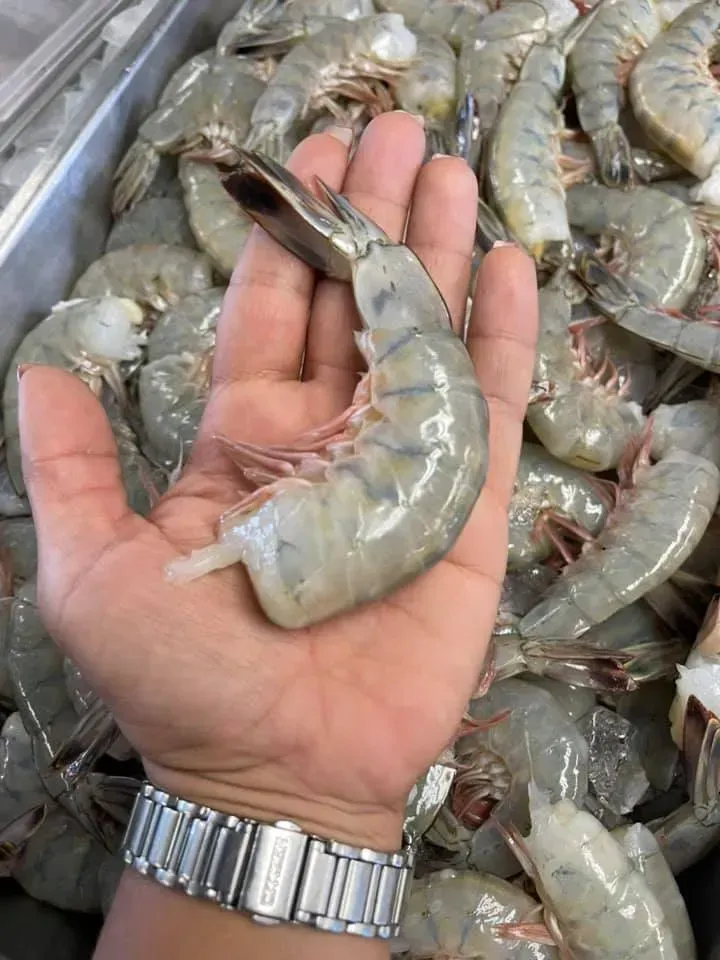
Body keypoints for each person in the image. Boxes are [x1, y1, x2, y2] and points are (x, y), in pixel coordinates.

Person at [17, 111, 538, 958]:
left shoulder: (348, 507)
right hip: (413, 401)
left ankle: (358, 251)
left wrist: (254, 799)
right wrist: (277, 801)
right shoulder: (388, 457)